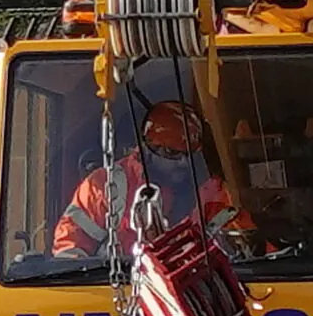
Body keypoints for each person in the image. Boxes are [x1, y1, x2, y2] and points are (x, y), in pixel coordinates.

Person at [54, 101, 244, 255]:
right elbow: (70, 247)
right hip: (119, 292)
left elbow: (244, 240)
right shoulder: (105, 186)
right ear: (148, 149)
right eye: (172, 153)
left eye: (189, 155)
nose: (183, 163)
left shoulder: (211, 191)